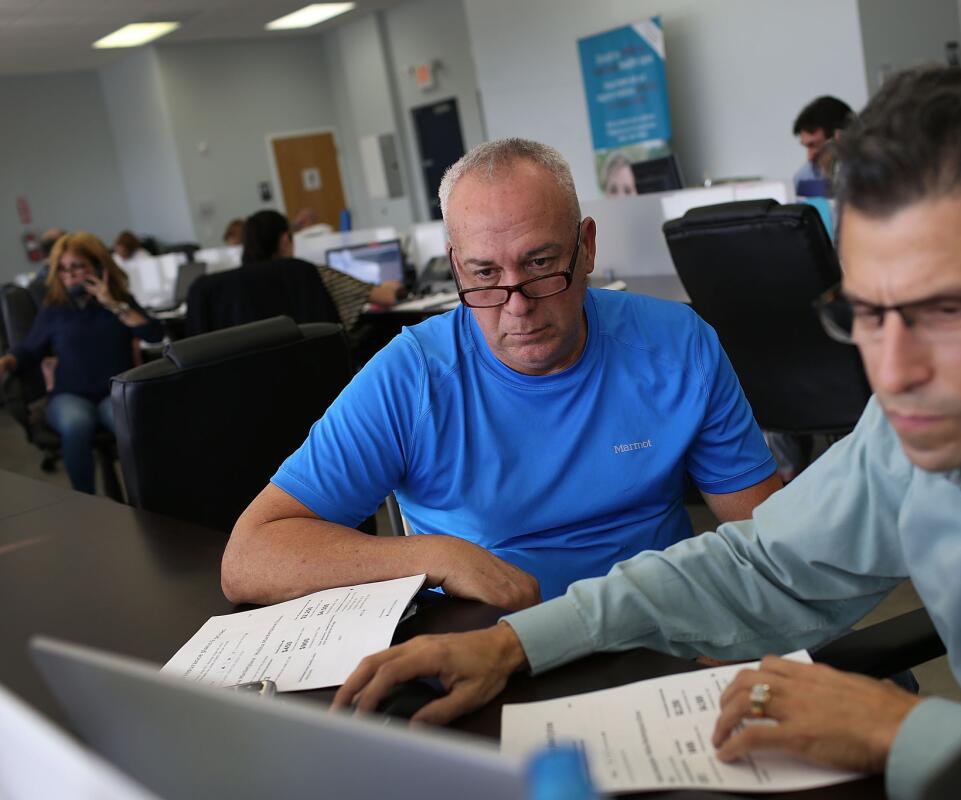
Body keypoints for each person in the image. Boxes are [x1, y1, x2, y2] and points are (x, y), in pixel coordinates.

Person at [333, 69, 961, 800]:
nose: (892, 373)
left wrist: (905, 731)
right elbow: (761, 559)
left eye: (946, 311)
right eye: (865, 313)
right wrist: (516, 641)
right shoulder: (925, 418)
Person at [221, 138, 781, 608]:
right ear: (456, 266)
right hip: (487, 647)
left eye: (539, 264)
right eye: (485, 273)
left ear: (586, 248)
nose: (516, 305)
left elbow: (765, 542)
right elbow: (250, 555)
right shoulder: (414, 375)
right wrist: (432, 555)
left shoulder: (678, 346)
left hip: (654, 632)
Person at [0, 232, 164, 493]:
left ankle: (147, 500)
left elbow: (154, 334)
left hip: (113, 392)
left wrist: (113, 304)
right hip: (69, 395)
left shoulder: (117, 302)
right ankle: (85, 502)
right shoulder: (55, 308)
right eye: (63, 269)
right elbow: (30, 349)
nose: (70, 275)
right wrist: (7, 361)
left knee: (131, 430)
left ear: (98, 266)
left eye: (77, 267)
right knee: (77, 424)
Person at [238, 210, 405, 331]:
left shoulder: (236, 287)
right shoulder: (308, 273)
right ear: (284, 240)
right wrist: (393, 287)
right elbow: (387, 297)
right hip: (321, 364)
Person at [792, 95, 854, 189]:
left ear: (841, 138)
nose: (809, 157)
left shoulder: (875, 174)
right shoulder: (803, 179)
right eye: (807, 146)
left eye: (814, 145)